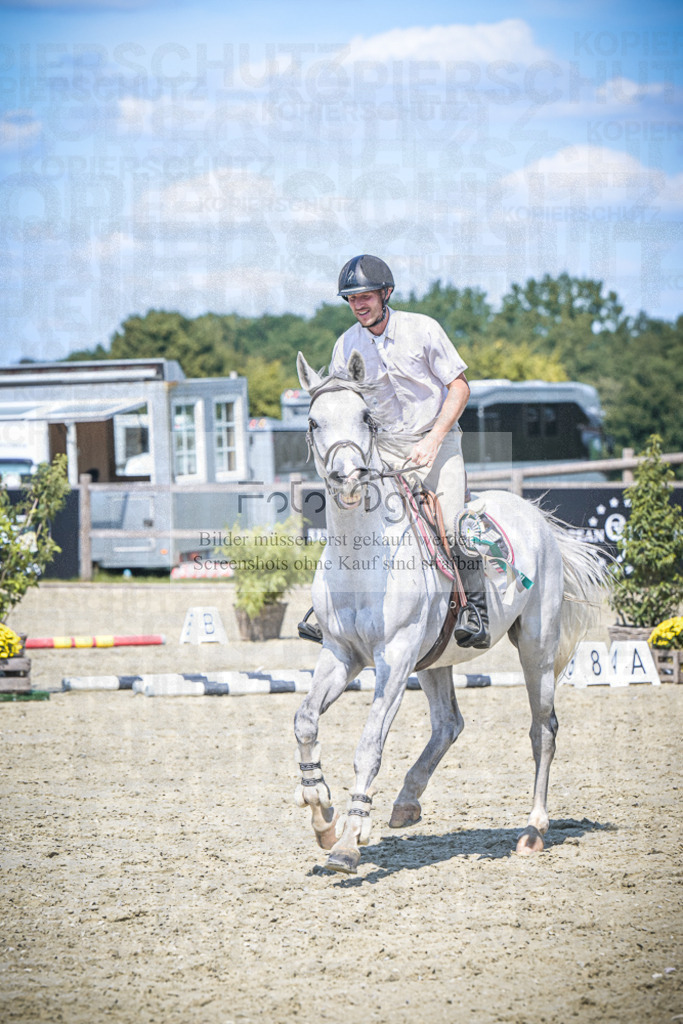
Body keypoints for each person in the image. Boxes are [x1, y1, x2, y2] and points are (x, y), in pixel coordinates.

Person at [329, 253, 470, 534]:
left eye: (365, 296)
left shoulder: (424, 328)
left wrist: (434, 439)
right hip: (383, 453)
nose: (358, 305)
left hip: (436, 447)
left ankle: (475, 573)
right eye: (352, 299)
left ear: (386, 293)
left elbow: (460, 387)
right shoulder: (344, 346)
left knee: (454, 531)